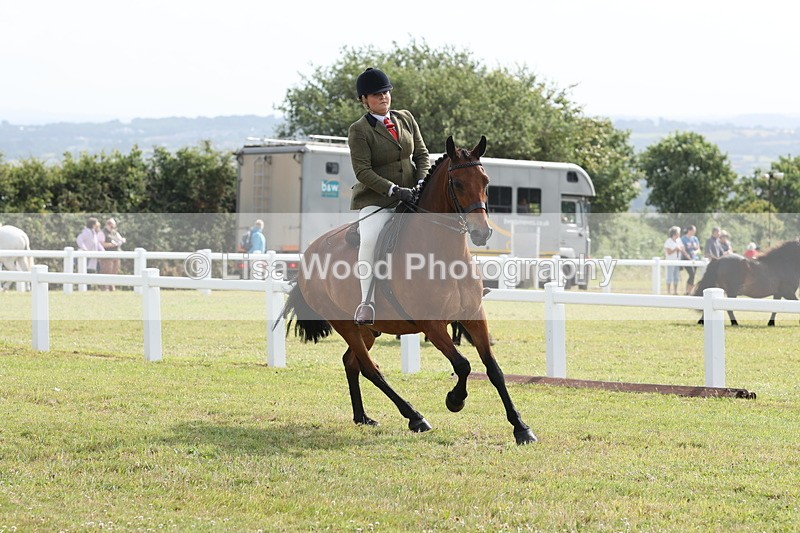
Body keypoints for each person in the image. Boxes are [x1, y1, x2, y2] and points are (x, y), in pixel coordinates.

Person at [348, 67, 431, 325]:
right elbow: (362, 171)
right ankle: (366, 302)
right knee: (370, 239)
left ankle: (462, 286)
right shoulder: (359, 130)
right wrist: (393, 190)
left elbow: (422, 155)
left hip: (413, 196)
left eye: (386, 92)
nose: (383, 97)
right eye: (376, 94)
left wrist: (421, 181)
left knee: (445, 226)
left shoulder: (406, 118)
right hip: (377, 201)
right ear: (364, 100)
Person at [99, 217, 126, 291]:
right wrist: (112, 245)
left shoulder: (115, 233)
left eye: (114, 226)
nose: (113, 228)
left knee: (115, 270)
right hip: (106, 256)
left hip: (116, 254)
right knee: (107, 271)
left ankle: (112, 287)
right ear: (107, 224)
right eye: (111, 226)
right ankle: (105, 287)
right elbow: (101, 244)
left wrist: (121, 241)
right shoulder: (102, 233)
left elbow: (120, 239)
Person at [663, 225, 684, 295]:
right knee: (669, 276)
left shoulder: (679, 240)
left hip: (677, 261)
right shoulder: (668, 241)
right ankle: (668, 291)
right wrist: (675, 249)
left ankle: (675, 291)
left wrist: (679, 249)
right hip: (670, 261)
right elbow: (669, 252)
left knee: (676, 277)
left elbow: (682, 248)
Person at [680, 224, 700, 295]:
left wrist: (695, 252)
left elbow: (698, 248)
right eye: (693, 231)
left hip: (694, 259)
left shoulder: (695, 239)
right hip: (686, 259)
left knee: (693, 274)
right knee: (691, 273)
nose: (694, 232)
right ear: (689, 230)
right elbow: (683, 249)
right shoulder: (683, 239)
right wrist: (688, 257)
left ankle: (690, 291)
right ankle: (687, 290)